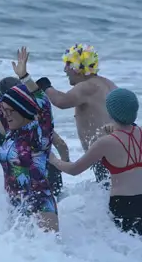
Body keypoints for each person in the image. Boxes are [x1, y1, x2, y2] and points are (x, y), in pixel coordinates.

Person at [0, 40, 59, 232]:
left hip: (40, 209)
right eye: (5, 111)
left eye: (11, 111)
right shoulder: (11, 130)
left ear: (23, 110)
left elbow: (44, 105)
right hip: (14, 210)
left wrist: (25, 77)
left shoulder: (39, 135)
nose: (6, 115)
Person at [51, 89, 142, 238]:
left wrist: (54, 160)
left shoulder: (106, 142)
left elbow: (74, 169)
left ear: (110, 112)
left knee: (128, 254)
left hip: (124, 204)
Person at [0, 75, 70, 199]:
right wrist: (63, 165)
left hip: (28, 182)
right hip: (49, 174)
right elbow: (61, 144)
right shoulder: (33, 115)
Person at [38, 43, 116, 187]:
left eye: (68, 64)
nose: (65, 69)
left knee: (110, 193)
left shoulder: (88, 86)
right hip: (116, 150)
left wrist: (45, 86)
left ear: (79, 67)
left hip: (103, 155)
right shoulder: (108, 84)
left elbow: (61, 101)